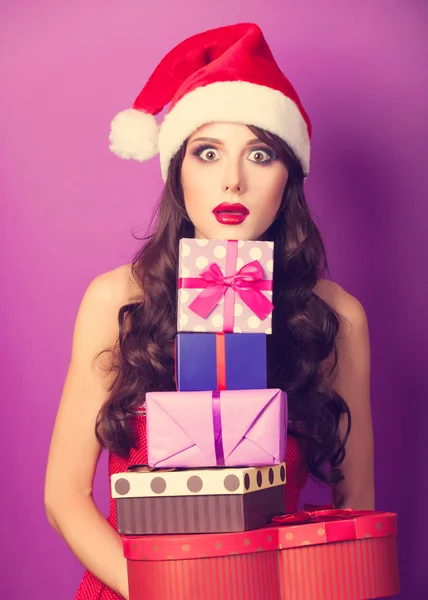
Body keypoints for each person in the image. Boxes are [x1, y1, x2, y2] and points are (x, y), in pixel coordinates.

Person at [44, 22, 374, 600]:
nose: (232, 181)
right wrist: (159, 590)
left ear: (289, 176)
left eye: (260, 153)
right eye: (208, 152)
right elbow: (64, 496)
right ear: (177, 171)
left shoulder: (335, 316)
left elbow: (357, 506)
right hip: (135, 589)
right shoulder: (117, 299)